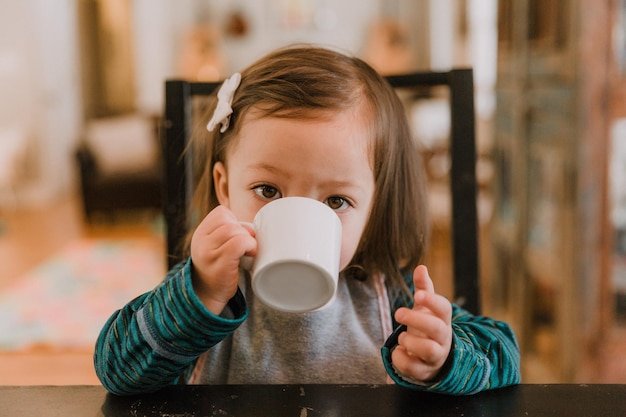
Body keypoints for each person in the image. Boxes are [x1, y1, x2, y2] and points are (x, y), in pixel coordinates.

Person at [94, 45, 520, 396]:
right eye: (267, 190)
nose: (299, 215)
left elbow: (505, 354)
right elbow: (116, 370)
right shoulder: (202, 295)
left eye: (336, 199)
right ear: (224, 188)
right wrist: (199, 294)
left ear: (373, 208)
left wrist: (443, 359)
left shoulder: (388, 297)